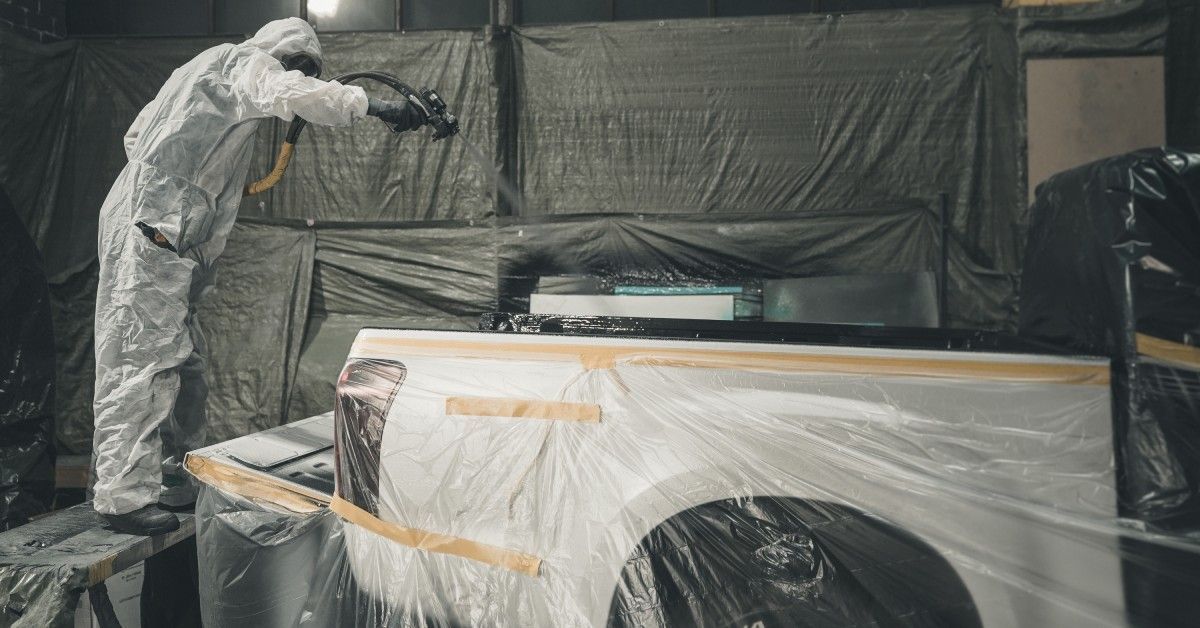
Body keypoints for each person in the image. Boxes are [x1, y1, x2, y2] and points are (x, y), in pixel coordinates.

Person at [91, 17, 424, 535]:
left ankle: (172, 479)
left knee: (186, 365)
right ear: (283, 52)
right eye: (299, 67)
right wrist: (379, 107)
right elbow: (287, 90)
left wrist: (184, 184)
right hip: (153, 227)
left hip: (165, 231)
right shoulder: (246, 63)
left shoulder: (211, 77)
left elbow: (139, 134)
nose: (297, 76)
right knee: (141, 361)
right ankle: (121, 497)